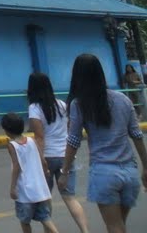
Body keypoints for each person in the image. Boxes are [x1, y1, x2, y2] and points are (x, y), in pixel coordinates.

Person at [60, 53, 147, 233]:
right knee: (119, 224)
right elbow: (137, 135)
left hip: (104, 173)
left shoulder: (79, 104)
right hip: (130, 173)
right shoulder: (123, 99)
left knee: (115, 227)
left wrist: (64, 172)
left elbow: (73, 140)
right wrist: (146, 168)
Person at [26, 72, 90, 233]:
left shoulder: (34, 108)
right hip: (65, 156)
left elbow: (39, 137)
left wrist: (41, 161)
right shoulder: (61, 104)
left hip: (47, 156)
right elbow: (68, 129)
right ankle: (85, 230)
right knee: (69, 197)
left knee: (45, 199)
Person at [1, 111, 60, 233]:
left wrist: (12, 188)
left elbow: (17, 167)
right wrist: (46, 171)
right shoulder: (32, 140)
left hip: (25, 192)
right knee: (45, 218)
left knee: (25, 221)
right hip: (39, 190)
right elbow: (43, 160)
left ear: (7, 130)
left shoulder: (12, 145)